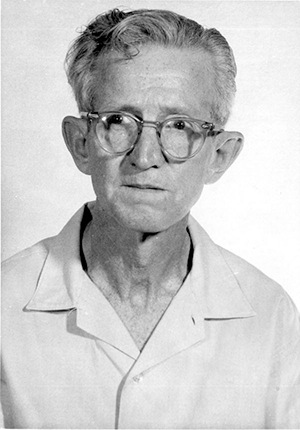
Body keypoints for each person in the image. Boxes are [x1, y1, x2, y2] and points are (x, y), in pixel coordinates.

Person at [1, 7, 299, 429]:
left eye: (179, 125)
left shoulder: (270, 318)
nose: (144, 157)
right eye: (119, 121)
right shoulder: (4, 308)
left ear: (220, 156)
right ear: (80, 143)